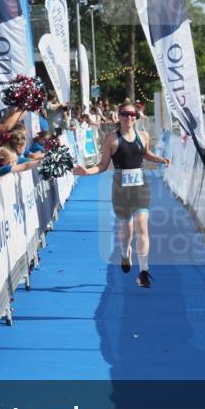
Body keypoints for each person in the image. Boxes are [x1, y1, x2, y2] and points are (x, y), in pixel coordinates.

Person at [72, 104, 170, 289]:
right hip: (120, 190)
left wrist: (160, 159)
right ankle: (125, 252)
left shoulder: (143, 136)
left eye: (132, 114)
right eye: (125, 114)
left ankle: (143, 272)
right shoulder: (111, 139)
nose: (128, 117)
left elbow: (145, 153)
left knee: (142, 227)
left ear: (136, 117)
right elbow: (102, 165)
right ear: (119, 116)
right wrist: (86, 171)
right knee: (127, 230)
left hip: (141, 188)